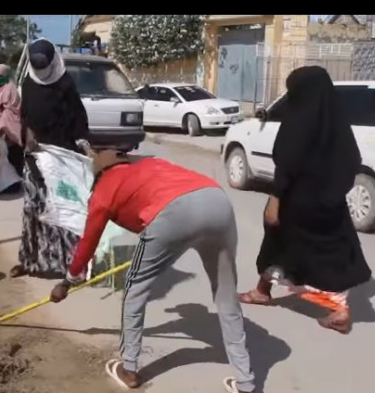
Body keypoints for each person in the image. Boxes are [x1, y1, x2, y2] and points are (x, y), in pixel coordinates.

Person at [49, 149, 255, 393]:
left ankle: (129, 369)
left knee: (135, 289)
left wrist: (68, 281)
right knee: (226, 295)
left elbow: (87, 244)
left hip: (173, 213)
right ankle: (245, 382)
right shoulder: (152, 163)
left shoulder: (102, 192)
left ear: (99, 174)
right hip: (217, 200)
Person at [238, 66, 372, 334]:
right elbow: (352, 161)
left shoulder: (300, 120)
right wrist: (332, 192)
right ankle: (263, 290)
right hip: (329, 203)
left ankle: (338, 309)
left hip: (297, 202)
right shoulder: (336, 125)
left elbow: (287, 162)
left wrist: (275, 199)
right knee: (297, 247)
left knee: (301, 253)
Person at [10, 38, 90, 279]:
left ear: (53, 60)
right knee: (32, 209)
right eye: (36, 65)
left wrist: (81, 148)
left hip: (61, 159)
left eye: (43, 64)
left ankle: (71, 266)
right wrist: (27, 137)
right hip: (35, 158)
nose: (40, 70)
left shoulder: (65, 85)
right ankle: (29, 261)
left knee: (63, 210)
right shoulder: (29, 83)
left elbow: (78, 121)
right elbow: (25, 116)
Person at [0, 64, 23, 175]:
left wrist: (2, 108)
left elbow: (15, 107)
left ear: (6, 76)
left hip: (8, 125)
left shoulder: (10, 88)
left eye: (1, 75)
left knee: (10, 153)